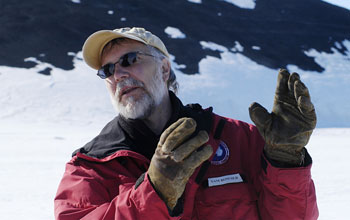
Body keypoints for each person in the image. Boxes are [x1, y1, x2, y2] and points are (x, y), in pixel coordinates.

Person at [54, 27, 318, 220]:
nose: (119, 74)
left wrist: (286, 162)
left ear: (165, 69)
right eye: (107, 70)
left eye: (129, 60)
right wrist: (155, 194)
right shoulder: (90, 168)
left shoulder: (239, 140)